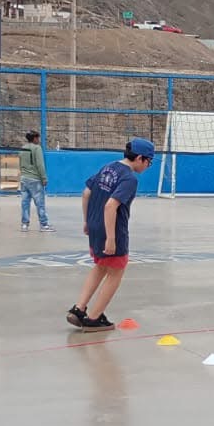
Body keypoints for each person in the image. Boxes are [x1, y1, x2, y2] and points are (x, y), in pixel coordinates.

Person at [67, 138, 156, 332]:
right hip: (112, 229)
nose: (149, 165)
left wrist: (87, 221)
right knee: (116, 271)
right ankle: (93, 318)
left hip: (94, 224)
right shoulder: (129, 178)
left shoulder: (108, 168)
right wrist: (111, 237)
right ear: (140, 158)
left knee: (100, 266)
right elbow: (111, 206)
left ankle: (79, 309)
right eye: (149, 161)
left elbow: (86, 193)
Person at [18, 130, 52, 232]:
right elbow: (40, 165)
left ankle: (25, 224)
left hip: (24, 179)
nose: (39, 140)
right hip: (35, 179)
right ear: (34, 138)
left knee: (25, 202)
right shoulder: (37, 148)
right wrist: (44, 178)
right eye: (38, 138)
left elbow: (20, 163)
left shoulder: (23, 149)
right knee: (40, 203)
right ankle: (44, 225)